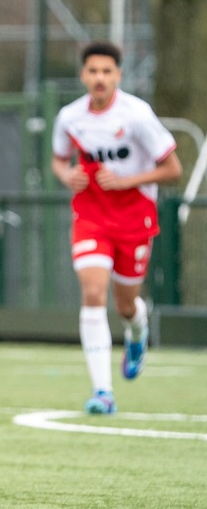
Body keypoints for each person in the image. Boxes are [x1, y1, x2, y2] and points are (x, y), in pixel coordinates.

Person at [51, 41, 182, 415]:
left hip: (134, 217)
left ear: (118, 76)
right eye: (93, 71)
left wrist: (126, 181)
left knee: (125, 304)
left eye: (107, 72)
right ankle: (102, 392)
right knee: (93, 293)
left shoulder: (137, 115)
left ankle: (137, 332)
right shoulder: (70, 117)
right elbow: (59, 161)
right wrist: (68, 175)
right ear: (83, 75)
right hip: (91, 215)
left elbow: (173, 169)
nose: (99, 78)